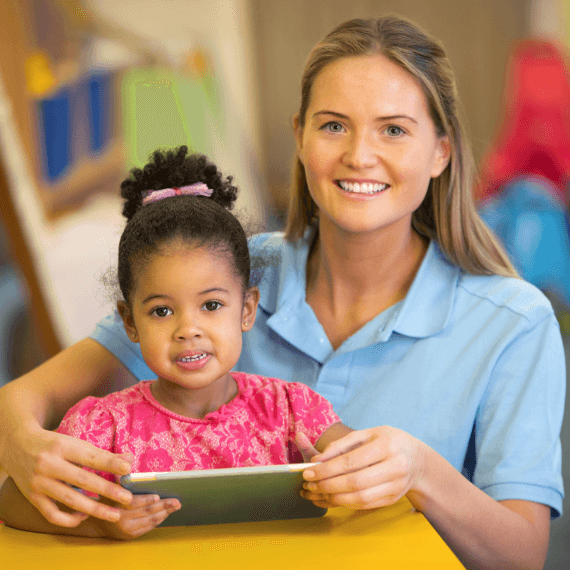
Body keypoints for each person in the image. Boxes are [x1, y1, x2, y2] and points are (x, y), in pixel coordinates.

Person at [0, 14, 564, 569]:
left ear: (440, 150)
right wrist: (24, 446)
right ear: (300, 137)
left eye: (393, 128)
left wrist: (420, 470)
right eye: (333, 125)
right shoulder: (222, 270)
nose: (359, 155)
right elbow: (24, 400)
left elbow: (520, 556)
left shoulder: (515, 321)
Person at [0, 149, 351, 539]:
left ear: (247, 310)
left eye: (212, 305)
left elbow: (359, 465)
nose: (188, 329)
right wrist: (101, 524)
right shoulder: (104, 428)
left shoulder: (289, 410)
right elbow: (11, 501)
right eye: (162, 312)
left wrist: (337, 479)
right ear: (130, 323)